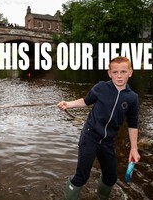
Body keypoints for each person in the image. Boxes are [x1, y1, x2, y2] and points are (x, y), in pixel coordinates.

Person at [57, 56, 140, 200]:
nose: (119, 76)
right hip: (90, 137)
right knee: (81, 177)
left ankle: (101, 197)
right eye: (115, 72)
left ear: (130, 73)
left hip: (108, 142)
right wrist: (68, 104)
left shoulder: (132, 97)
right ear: (109, 73)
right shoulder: (101, 87)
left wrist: (134, 148)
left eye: (123, 72)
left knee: (110, 177)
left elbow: (133, 124)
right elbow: (86, 101)